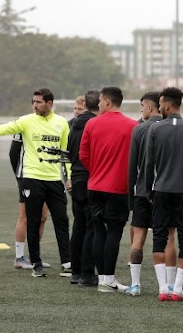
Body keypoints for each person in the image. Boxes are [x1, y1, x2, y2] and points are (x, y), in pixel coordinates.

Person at [0, 88, 72, 278]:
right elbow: (1, 128)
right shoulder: (26, 120)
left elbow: (65, 155)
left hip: (54, 181)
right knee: (33, 222)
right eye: (33, 102)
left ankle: (67, 263)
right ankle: (36, 264)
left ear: (49, 103)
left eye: (38, 102)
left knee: (62, 220)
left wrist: (68, 177)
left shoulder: (61, 123)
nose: (34, 105)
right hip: (31, 179)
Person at [145, 87, 183, 301]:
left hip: (160, 190)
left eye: (160, 104)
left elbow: (149, 163)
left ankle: (163, 289)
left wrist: (148, 190)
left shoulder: (155, 129)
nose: (159, 107)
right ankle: (177, 290)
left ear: (167, 105)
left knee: (159, 237)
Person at [80, 86, 137, 293]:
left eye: (100, 101)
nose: (98, 105)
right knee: (114, 232)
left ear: (106, 102)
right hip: (119, 188)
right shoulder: (132, 126)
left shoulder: (92, 124)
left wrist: (96, 171)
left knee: (98, 230)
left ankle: (103, 279)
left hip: (95, 186)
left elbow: (83, 155)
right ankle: (108, 280)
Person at [126, 91, 177, 296]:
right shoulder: (172, 129)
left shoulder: (139, 129)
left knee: (138, 238)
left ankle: (135, 284)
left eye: (141, 107)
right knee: (169, 238)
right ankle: (170, 285)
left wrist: (132, 195)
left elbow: (132, 166)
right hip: (166, 190)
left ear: (149, 107)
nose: (141, 111)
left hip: (141, 191)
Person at [67, 90, 100, 286]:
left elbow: (71, 152)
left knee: (78, 225)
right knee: (91, 226)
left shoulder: (74, 125)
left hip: (77, 177)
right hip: (90, 177)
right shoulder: (95, 125)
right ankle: (88, 273)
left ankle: (76, 271)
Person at [9, 130, 49, 270]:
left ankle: (34, 256)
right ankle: (19, 258)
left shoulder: (51, 124)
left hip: (45, 176)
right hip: (26, 176)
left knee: (43, 216)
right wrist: (18, 176)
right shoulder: (24, 125)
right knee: (25, 217)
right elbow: (13, 152)